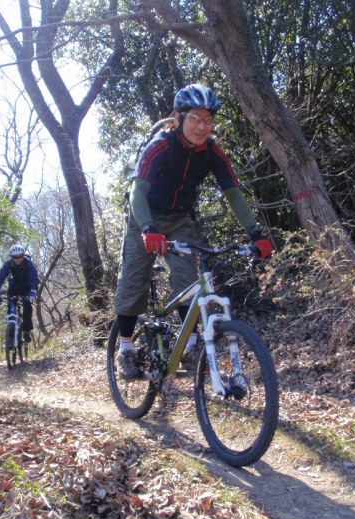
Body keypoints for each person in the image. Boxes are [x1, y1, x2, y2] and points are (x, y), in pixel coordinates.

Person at [114, 83, 275, 379]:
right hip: (144, 217)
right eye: (195, 119)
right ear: (181, 118)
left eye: (208, 120)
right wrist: (148, 229)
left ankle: (189, 347)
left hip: (178, 220)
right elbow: (137, 191)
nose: (202, 127)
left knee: (187, 280)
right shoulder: (160, 145)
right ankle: (124, 349)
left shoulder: (212, 152)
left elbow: (234, 194)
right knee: (134, 281)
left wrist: (256, 233)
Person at [0, 244, 39, 341]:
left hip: (27, 289)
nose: (18, 259)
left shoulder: (28, 263)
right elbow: (0, 278)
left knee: (27, 306)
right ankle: (10, 336)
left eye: (20, 256)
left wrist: (33, 291)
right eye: (15, 257)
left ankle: (26, 331)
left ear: (23, 255)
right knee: (10, 310)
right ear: (11, 257)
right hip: (13, 289)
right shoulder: (8, 264)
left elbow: (34, 278)